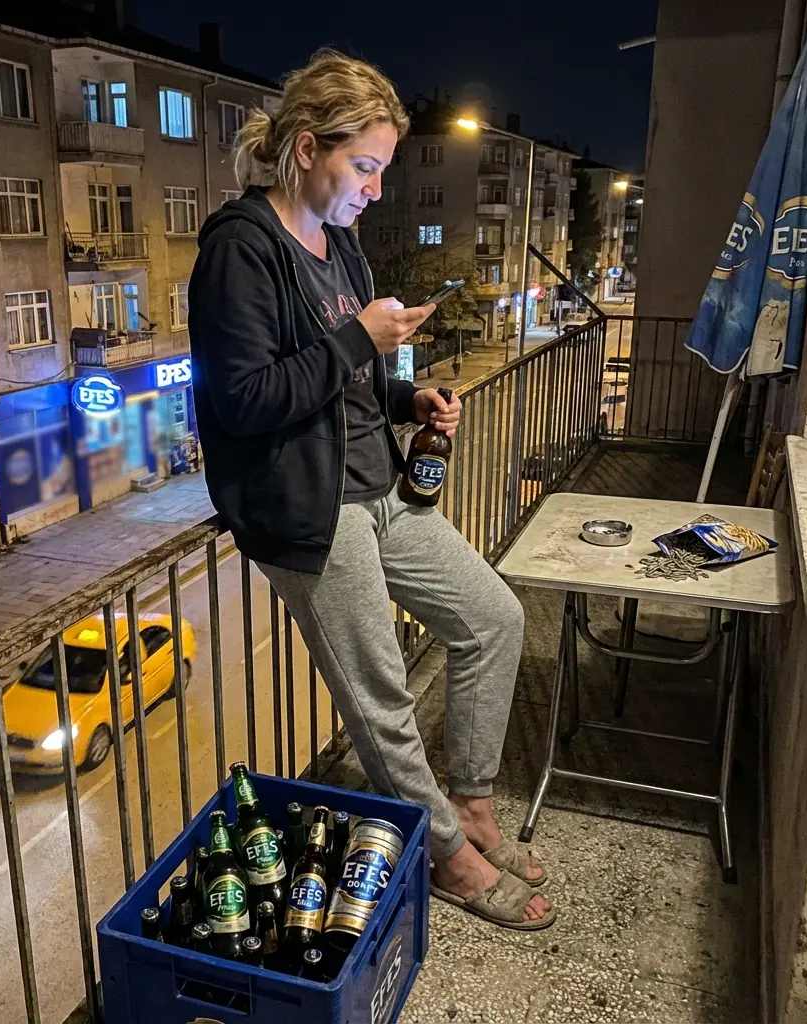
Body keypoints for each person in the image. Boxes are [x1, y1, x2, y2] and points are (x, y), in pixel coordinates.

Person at [188, 50, 554, 931]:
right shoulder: (241, 251)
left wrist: (405, 395)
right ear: (308, 148)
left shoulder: (341, 246)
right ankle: (448, 860)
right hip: (311, 514)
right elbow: (239, 404)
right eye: (367, 167)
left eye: (385, 169)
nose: (378, 190)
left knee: (493, 618)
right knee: (382, 698)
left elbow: (340, 382)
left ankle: (469, 802)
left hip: (379, 487)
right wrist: (359, 339)